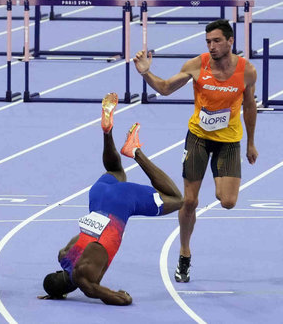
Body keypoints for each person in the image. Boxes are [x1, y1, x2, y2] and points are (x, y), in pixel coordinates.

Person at [133, 19, 258, 283]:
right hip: (198, 139)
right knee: (189, 201)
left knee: (228, 201)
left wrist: (250, 142)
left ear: (230, 41)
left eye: (216, 41)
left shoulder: (247, 71)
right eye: (208, 42)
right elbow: (165, 88)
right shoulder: (196, 66)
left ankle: (219, 176)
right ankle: (184, 254)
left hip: (229, 142)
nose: (211, 46)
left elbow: (249, 106)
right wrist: (146, 73)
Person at [40, 92, 183, 305]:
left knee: (177, 199)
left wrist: (108, 292)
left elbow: (122, 299)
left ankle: (135, 152)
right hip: (98, 196)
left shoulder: (84, 281)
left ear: (64, 293)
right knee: (115, 170)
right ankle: (107, 133)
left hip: (120, 203)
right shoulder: (64, 255)